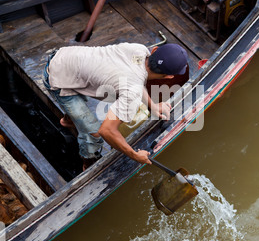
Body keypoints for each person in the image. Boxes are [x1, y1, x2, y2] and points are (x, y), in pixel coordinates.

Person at [43, 42, 188, 170]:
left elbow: (136, 78)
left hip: (66, 56)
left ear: (155, 50)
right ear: (169, 76)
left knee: (98, 91)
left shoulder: (139, 50)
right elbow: (106, 130)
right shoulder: (133, 91)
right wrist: (135, 155)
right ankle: (88, 164)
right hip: (57, 78)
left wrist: (153, 106)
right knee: (94, 134)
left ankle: (69, 120)